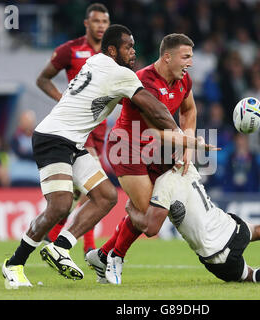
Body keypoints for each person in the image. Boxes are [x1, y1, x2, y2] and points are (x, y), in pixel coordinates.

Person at [2, 24, 216, 288]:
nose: (133, 52)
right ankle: (14, 264)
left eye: (134, 46)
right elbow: (156, 110)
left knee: (106, 196)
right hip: (53, 138)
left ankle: (61, 247)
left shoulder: (96, 62)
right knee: (60, 205)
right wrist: (185, 140)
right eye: (128, 47)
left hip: (74, 141)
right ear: (112, 50)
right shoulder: (121, 75)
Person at [93, 163, 260, 285]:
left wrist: (130, 208)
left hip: (218, 254)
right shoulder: (185, 165)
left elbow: (150, 228)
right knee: (258, 230)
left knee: (250, 276)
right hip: (228, 226)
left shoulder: (163, 186)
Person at [86, 33, 199, 285]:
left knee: (154, 215)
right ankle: (115, 256)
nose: (190, 62)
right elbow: (155, 128)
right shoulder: (144, 81)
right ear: (167, 57)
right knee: (148, 212)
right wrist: (186, 142)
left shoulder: (183, 80)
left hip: (156, 148)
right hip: (127, 146)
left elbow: (189, 109)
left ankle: (104, 255)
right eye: (186, 57)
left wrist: (188, 146)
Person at [36, 3, 110, 254]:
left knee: (83, 189)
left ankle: (54, 236)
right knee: (94, 188)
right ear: (87, 24)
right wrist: (62, 99)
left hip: (99, 128)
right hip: (76, 128)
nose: (101, 26)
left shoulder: (111, 54)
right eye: (96, 21)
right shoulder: (71, 50)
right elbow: (42, 78)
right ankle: (88, 248)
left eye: (104, 22)